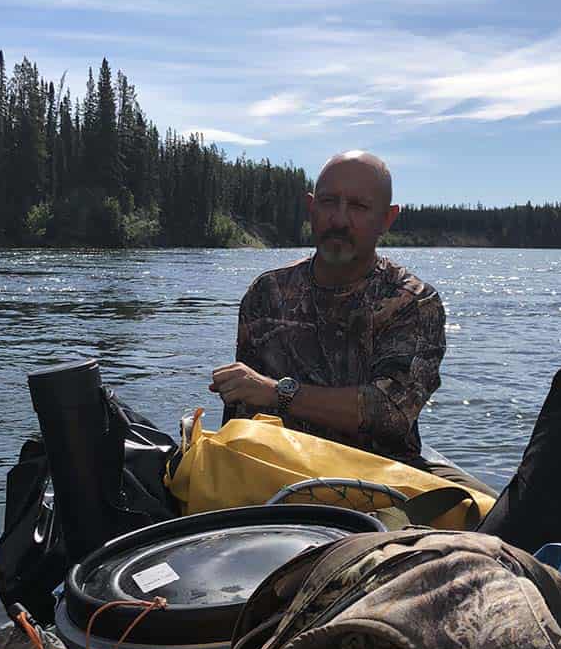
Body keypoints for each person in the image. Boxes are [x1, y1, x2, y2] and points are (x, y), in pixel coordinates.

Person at [210, 149, 495, 494]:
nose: (340, 220)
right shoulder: (267, 293)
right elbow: (241, 411)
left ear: (387, 219)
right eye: (329, 202)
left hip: (381, 481)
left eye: (358, 207)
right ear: (312, 207)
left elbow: (388, 412)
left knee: (491, 516)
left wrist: (276, 392)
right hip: (278, 472)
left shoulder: (412, 302)